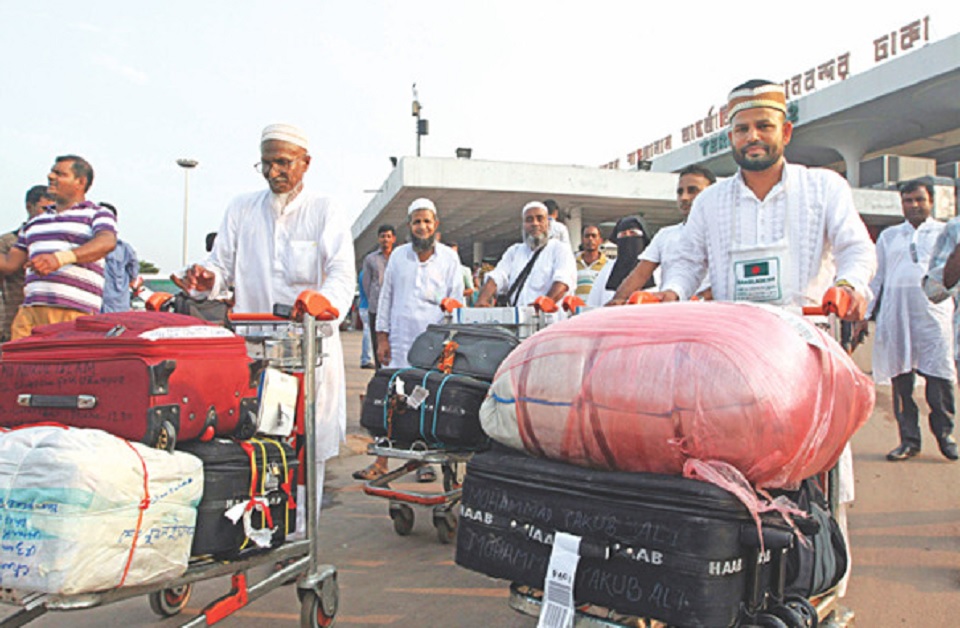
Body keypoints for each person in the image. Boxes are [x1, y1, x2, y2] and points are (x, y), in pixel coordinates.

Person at [652, 80, 877, 605]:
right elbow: (686, 262)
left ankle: (820, 593)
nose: (752, 137)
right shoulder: (710, 201)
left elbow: (856, 250)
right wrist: (669, 295)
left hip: (806, 359)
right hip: (735, 366)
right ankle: (744, 594)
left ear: (786, 131)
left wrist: (848, 286)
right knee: (738, 479)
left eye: (763, 126)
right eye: (742, 129)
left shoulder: (823, 188)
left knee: (817, 481)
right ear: (729, 137)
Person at [181, 123, 356, 535]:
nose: (273, 171)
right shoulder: (242, 208)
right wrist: (208, 280)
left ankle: (299, 537)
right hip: (254, 348)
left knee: (305, 445)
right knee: (254, 439)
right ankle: (255, 528)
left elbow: (341, 274)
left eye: (283, 162)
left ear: (305, 164)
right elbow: (220, 266)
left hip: (309, 350)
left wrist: (322, 303)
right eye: (266, 162)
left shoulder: (325, 209)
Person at [354, 198, 465, 482]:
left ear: (435, 225)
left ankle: (425, 461)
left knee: (428, 402)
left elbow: (458, 303)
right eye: (417, 221)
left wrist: (452, 339)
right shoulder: (399, 257)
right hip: (401, 341)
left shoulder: (450, 259)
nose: (422, 226)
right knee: (394, 398)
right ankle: (382, 461)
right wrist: (382, 339)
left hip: (435, 344)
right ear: (409, 226)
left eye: (427, 221)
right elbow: (386, 298)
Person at [859, 181, 956, 461]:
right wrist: (865, 314)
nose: (913, 205)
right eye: (907, 201)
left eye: (918, 200)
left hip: (933, 317)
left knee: (939, 380)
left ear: (931, 202)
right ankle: (909, 441)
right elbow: (877, 278)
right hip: (896, 316)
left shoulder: (945, 233)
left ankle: (945, 436)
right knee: (902, 383)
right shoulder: (890, 236)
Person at [0, 156, 117, 339]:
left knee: (65, 366)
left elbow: (106, 242)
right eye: (52, 172)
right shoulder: (35, 223)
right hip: (30, 311)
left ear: (80, 182)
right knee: (19, 365)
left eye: (60, 174)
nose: (50, 176)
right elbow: (9, 263)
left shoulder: (97, 214)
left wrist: (59, 259)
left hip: (73, 311)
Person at [606, 165, 716, 305]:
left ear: (712, 193)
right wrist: (617, 300)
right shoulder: (665, 235)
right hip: (670, 313)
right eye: (680, 192)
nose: (684, 197)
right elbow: (640, 274)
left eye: (692, 191)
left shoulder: (723, 231)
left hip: (711, 315)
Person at [475, 201, 577, 307]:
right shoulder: (514, 251)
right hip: (519, 319)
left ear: (548, 224)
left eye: (540, 219)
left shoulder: (560, 249)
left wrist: (544, 304)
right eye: (529, 220)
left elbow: (563, 282)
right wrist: (482, 299)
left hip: (550, 320)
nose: (535, 223)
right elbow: (497, 276)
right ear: (523, 225)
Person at [0, 185, 54, 341]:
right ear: (29, 207)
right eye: (44, 208)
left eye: (53, 209)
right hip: (13, 315)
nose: (49, 213)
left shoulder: (57, 241)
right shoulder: (8, 242)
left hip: (49, 315)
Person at [586, 216, 652, 308]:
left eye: (633, 233)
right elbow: (592, 304)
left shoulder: (656, 270)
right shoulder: (607, 270)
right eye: (623, 235)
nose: (628, 237)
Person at [361, 224, 396, 369]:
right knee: (378, 343)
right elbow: (367, 283)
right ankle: (379, 374)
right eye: (382, 236)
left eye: (388, 236)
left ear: (393, 238)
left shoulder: (399, 256)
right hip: (375, 308)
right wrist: (376, 300)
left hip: (396, 308)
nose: (385, 240)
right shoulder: (370, 259)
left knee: (395, 344)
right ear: (378, 239)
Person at [99, 202, 140, 313]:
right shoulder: (83, 247)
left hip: (117, 308)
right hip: (92, 305)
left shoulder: (124, 249)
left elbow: (133, 275)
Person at [574, 225, 608, 298]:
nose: (590, 239)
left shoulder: (607, 264)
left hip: (598, 308)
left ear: (600, 240)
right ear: (582, 239)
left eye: (594, 236)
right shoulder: (572, 262)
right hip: (576, 308)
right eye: (587, 236)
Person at [357, 269, 374, 368]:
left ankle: (366, 358)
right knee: (369, 332)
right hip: (368, 306)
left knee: (367, 331)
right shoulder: (369, 273)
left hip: (363, 305)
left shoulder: (362, 273)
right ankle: (366, 358)